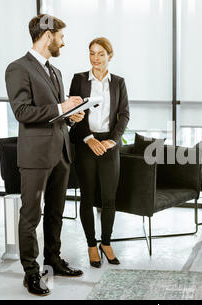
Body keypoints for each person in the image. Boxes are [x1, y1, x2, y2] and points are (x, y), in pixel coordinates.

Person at [5, 14, 85, 296]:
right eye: (61, 36)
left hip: (60, 152)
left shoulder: (55, 71)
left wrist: (71, 116)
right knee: (31, 216)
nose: (64, 41)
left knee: (55, 213)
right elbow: (22, 112)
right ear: (48, 36)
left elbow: (56, 114)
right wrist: (62, 107)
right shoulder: (18, 68)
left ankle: (53, 259)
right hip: (36, 157)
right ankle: (31, 273)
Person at [69, 37, 129, 268]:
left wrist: (113, 141)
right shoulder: (79, 80)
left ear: (110, 56)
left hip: (109, 144)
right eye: (92, 53)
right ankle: (91, 245)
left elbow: (123, 114)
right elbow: (75, 111)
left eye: (101, 54)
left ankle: (106, 242)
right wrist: (88, 138)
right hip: (86, 142)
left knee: (109, 198)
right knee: (87, 196)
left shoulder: (118, 82)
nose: (96, 58)